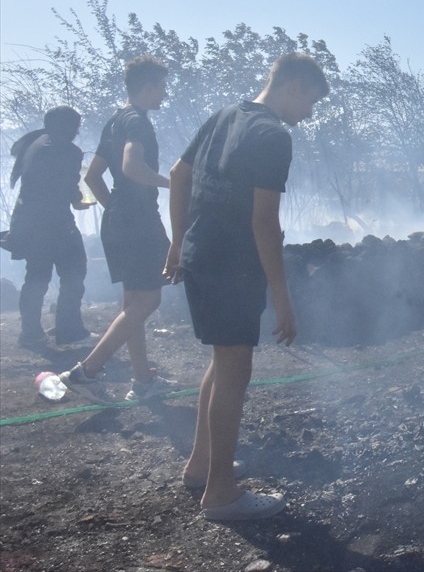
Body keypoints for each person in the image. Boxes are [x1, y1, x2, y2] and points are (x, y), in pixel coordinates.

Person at [164, 52, 329, 521]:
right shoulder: (273, 135)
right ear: (293, 86)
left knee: (223, 360)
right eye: (311, 102)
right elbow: (264, 222)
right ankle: (221, 494)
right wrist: (282, 297)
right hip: (232, 265)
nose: (309, 114)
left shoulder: (223, 115)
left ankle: (200, 466)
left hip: (200, 255)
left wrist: (177, 243)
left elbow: (178, 175)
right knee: (235, 369)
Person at [61, 57, 174, 403]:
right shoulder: (137, 122)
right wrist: (173, 184)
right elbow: (131, 167)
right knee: (149, 300)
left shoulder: (115, 121)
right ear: (148, 87)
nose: (164, 94)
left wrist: (115, 209)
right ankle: (86, 372)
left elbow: (92, 175)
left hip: (119, 221)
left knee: (132, 304)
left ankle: (142, 381)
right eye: (162, 87)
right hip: (139, 222)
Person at [5, 107, 94, 349]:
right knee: (74, 273)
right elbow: (66, 188)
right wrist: (79, 200)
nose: (77, 132)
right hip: (55, 225)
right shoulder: (67, 151)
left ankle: (30, 333)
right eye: (74, 126)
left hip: (29, 223)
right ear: (65, 126)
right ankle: (69, 331)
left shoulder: (36, 142)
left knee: (36, 278)